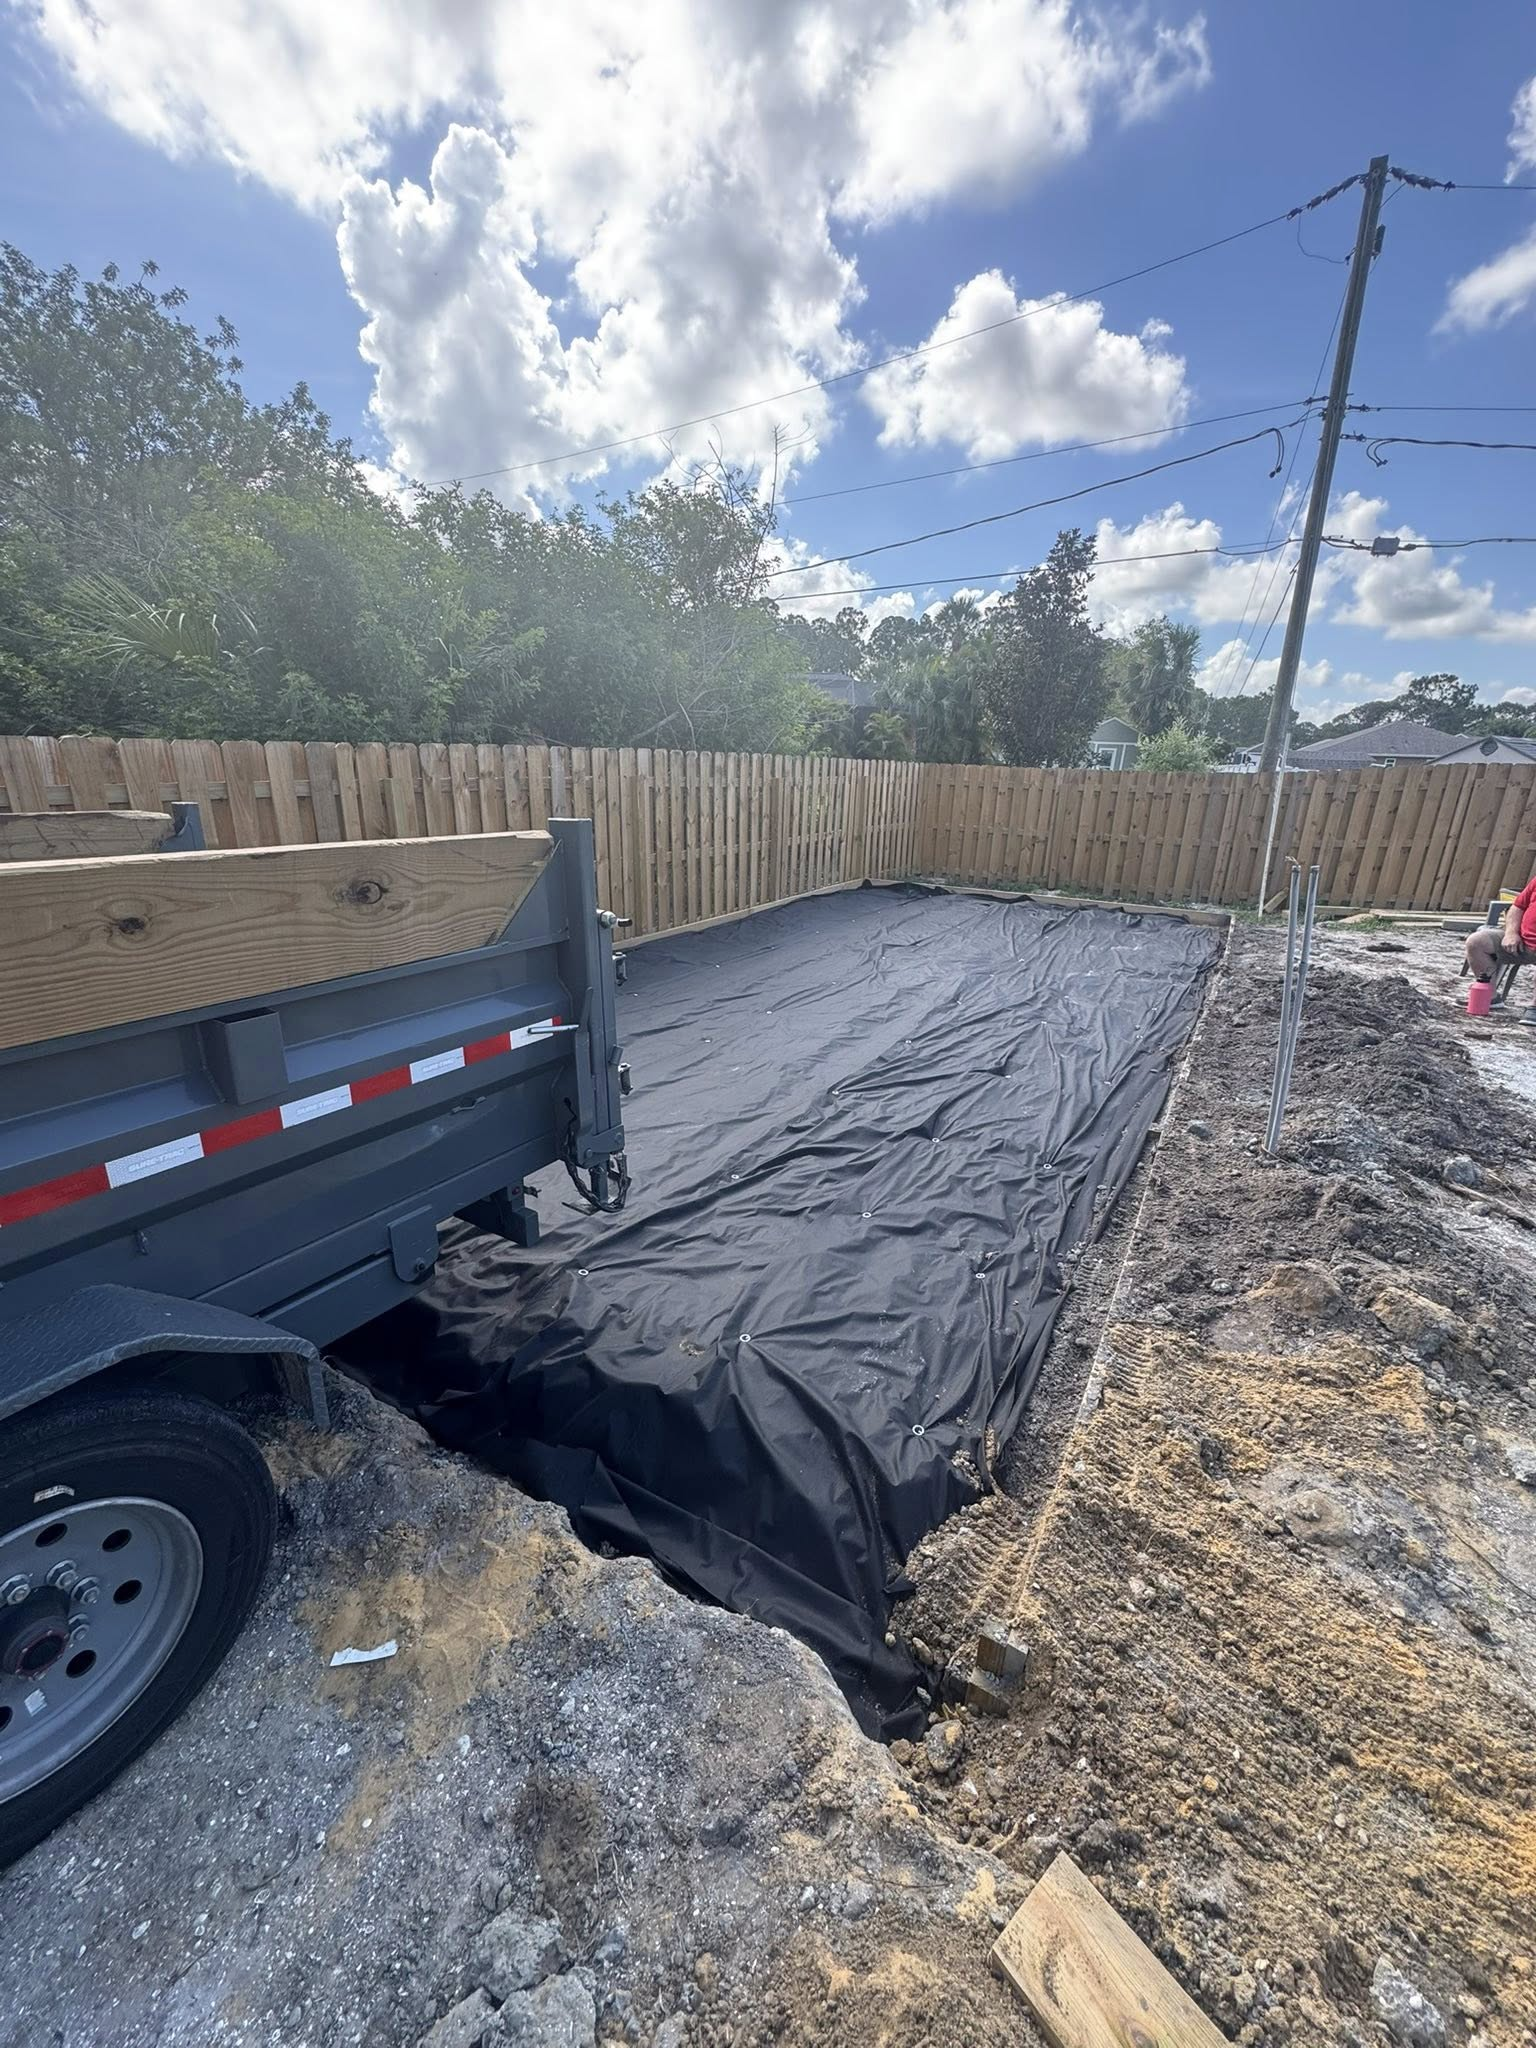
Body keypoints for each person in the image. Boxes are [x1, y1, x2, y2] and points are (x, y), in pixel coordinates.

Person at [1466, 879, 1536, 1019]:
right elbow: (1517, 907)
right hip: (1522, 943)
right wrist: (1511, 933)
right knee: (1476, 942)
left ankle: (1534, 1008)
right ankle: (1490, 997)